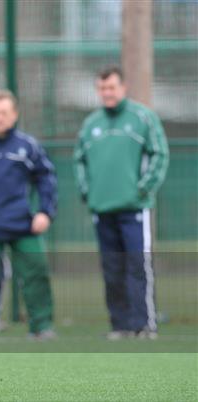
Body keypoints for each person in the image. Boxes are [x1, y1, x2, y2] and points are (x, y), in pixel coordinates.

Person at [73, 66, 169, 340]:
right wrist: (87, 191)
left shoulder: (142, 117)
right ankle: (121, 325)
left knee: (137, 265)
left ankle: (144, 324)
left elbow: (160, 153)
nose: (107, 93)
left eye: (112, 87)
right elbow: (79, 160)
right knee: (112, 268)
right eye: (102, 89)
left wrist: (144, 189)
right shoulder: (91, 124)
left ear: (123, 88)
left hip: (134, 209)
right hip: (102, 210)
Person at [0, 89, 57, 339]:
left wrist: (44, 213)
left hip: (23, 224)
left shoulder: (28, 146)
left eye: (4, 113)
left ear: (14, 115)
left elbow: (47, 179)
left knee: (36, 273)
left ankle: (42, 326)